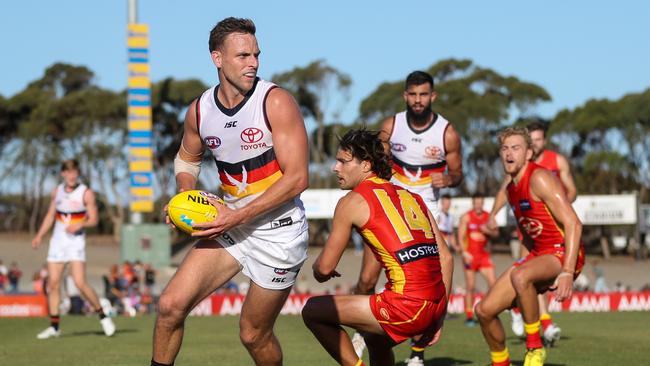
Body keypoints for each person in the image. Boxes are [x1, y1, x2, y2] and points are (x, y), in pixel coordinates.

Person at [151, 17, 309, 366]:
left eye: (256, 54)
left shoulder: (276, 101)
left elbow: (297, 179)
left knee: (253, 334)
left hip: (279, 233)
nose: (253, 63)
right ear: (217, 59)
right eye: (242, 55)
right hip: (231, 224)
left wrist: (234, 216)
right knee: (169, 306)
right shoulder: (200, 110)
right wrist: (184, 196)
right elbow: (187, 158)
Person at [302, 128, 453, 366]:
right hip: (433, 306)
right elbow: (446, 258)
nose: (335, 167)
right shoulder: (413, 197)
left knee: (312, 310)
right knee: (374, 337)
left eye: (343, 161)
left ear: (366, 165)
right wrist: (439, 315)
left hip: (406, 305)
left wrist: (320, 268)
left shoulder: (351, 202)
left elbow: (323, 270)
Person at [351, 70, 463, 366]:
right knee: (366, 278)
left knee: (427, 280)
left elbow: (459, 174)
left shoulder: (446, 132)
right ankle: (361, 331)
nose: (417, 100)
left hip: (424, 212)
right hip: (389, 207)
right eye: (412, 94)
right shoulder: (392, 126)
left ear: (432, 96)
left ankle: (417, 353)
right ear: (405, 96)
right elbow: (376, 163)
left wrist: (448, 180)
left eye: (423, 94)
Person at [475, 127, 584, 366]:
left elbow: (574, 224)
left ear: (528, 154)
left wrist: (567, 271)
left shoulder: (539, 178)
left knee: (522, 276)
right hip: (539, 253)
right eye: (504, 148)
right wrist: (524, 260)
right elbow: (527, 231)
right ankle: (500, 362)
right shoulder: (511, 188)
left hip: (561, 251)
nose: (508, 153)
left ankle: (535, 348)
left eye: (515, 148)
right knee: (484, 310)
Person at [31, 159, 115, 339]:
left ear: (78, 173)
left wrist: (80, 224)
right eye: (68, 172)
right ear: (63, 174)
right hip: (57, 243)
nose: (71, 176)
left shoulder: (86, 193)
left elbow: (94, 219)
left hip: (76, 243)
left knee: (79, 283)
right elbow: (50, 215)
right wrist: (39, 235)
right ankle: (54, 328)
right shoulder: (57, 192)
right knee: (53, 284)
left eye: (74, 172)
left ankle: (103, 316)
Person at [457, 193, 498, 326]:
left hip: (484, 256)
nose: (478, 205)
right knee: (470, 286)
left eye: (480, 203)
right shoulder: (466, 217)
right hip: (470, 256)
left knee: (494, 284)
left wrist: (488, 231)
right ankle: (469, 316)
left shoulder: (488, 217)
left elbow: (496, 233)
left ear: (483, 204)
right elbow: (461, 236)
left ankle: (491, 311)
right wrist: (464, 252)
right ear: (473, 204)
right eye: (476, 203)